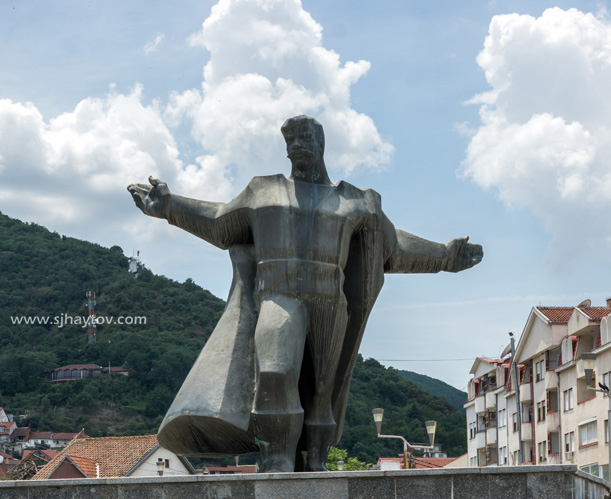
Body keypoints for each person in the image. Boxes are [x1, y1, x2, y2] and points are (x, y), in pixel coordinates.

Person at [128, 115, 483, 472]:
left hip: (330, 301)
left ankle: (315, 461)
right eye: (290, 140)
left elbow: (392, 246)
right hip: (278, 296)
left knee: (322, 392)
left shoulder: (356, 202)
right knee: (275, 373)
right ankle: (277, 456)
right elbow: (221, 221)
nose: (296, 145)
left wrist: (445, 256)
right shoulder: (262, 193)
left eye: (303, 138)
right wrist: (170, 206)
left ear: (321, 142)